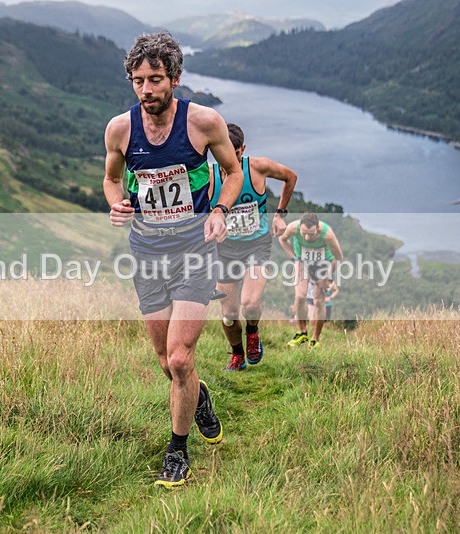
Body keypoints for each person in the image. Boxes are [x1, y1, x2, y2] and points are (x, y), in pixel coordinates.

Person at [103, 32, 244, 488]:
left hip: (194, 252)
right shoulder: (120, 129)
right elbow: (111, 179)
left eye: (156, 79)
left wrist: (220, 211)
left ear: (175, 78)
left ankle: (177, 452)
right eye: (138, 81)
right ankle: (198, 397)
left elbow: (233, 172)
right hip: (147, 254)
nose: (146, 90)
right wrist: (117, 204)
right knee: (167, 362)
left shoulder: (203, 122)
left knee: (182, 359)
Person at [209, 123, 298, 371]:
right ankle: (237, 355)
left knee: (249, 304)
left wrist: (280, 214)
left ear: (243, 149)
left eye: (235, 153)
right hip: (224, 249)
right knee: (229, 314)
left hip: (256, 245)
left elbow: (290, 177)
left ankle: (252, 331)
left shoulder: (258, 167)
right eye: (223, 153)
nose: (229, 159)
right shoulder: (208, 175)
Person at [278, 212, 343, 348]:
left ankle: (315, 339)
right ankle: (302, 333)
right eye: (304, 233)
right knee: (300, 297)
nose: (307, 238)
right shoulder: (292, 228)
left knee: (318, 301)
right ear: (300, 228)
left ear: (317, 228)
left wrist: (327, 276)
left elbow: (338, 257)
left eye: (311, 234)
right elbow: (282, 240)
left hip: (323, 265)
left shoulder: (327, 234)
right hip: (303, 262)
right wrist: (295, 258)